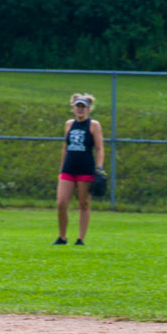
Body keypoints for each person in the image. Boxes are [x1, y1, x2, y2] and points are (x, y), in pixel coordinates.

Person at [54, 93, 105, 246]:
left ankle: (80, 238)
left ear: (88, 108)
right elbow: (65, 147)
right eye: (78, 106)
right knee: (61, 203)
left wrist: (99, 168)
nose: (80, 109)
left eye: (83, 106)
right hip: (69, 168)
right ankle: (62, 237)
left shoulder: (93, 125)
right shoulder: (69, 124)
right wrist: (61, 167)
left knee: (83, 203)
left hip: (85, 169)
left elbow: (100, 148)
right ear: (73, 107)